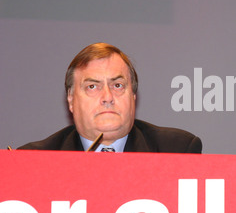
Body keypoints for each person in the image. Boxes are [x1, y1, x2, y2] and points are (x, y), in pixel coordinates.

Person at [18, 42, 202, 153]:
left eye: (117, 85)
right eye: (92, 87)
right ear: (71, 100)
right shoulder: (34, 160)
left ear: (133, 95)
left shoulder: (176, 150)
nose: (107, 97)